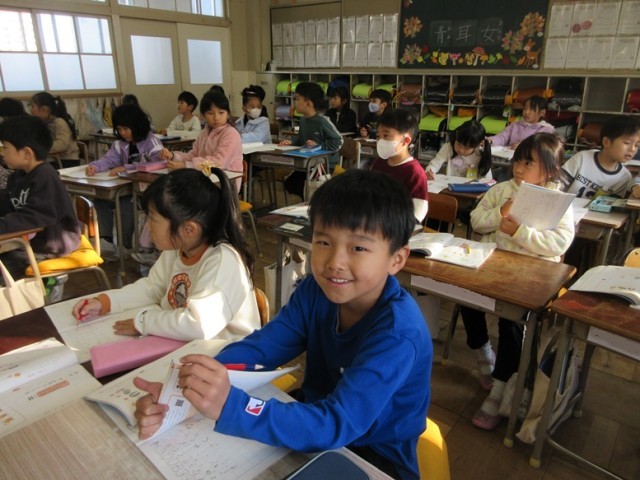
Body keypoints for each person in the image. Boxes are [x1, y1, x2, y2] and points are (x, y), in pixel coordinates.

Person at [133, 169, 432, 479]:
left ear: (396, 259)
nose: (334, 262)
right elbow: (264, 347)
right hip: (312, 424)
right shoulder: (316, 290)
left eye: (358, 248)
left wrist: (229, 405)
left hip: (371, 456)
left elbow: (336, 423)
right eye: (323, 241)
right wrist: (192, 384)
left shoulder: (398, 333)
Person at [460, 133, 574, 431]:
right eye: (518, 161)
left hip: (532, 277)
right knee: (467, 300)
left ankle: (500, 387)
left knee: (512, 324)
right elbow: (476, 221)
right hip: (493, 267)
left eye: (529, 163)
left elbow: (559, 243)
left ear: (550, 170)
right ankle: (484, 355)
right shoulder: (501, 190)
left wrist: (519, 233)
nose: (519, 168)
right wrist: (501, 213)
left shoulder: (557, 201)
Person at [72, 168, 259, 341]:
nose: (148, 226)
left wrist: (144, 322)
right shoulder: (179, 248)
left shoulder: (222, 262)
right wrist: (106, 302)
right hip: (187, 345)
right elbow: (152, 288)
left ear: (189, 229)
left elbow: (197, 324)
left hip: (226, 357)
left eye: (153, 218)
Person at [0, 116, 80, 278]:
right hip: (31, 241)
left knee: (6, 267)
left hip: (52, 245)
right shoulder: (17, 176)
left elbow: (37, 216)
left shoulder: (45, 176)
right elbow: (9, 203)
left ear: (27, 153)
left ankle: (45, 287)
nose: (1, 153)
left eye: (5, 148)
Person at [86, 103, 163, 257]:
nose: (123, 133)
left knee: (125, 202)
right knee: (100, 198)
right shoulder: (119, 144)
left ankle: (125, 244)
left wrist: (127, 167)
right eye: (119, 129)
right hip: (125, 187)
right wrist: (95, 166)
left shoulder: (152, 142)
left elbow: (159, 164)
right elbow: (108, 160)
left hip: (145, 192)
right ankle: (106, 240)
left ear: (137, 126)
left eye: (126, 129)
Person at [160, 91, 243, 191]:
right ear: (203, 116)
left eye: (221, 113)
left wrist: (186, 165)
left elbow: (218, 162)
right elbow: (193, 155)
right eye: (210, 113)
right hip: (206, 181)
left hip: (225, 185)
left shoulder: (231, 133)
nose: (216, 118)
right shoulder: (204, 133)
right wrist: (173, 156)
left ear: (228, 114)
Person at [279, 82, 343, 199]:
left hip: (324, 165)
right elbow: (302, 141)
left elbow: (338, 141)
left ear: (308, 103)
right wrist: (292, 142)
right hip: (308, 162)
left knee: (303, 186)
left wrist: (319, 145)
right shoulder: (303, 120)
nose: (294, 102)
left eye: (297, 99)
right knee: (290, 184)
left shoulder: (322, 121)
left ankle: (312, 203)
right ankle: (308, 202)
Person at [560, 115, 639, 198]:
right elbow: (557, 187)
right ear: (606, 142)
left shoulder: (624, 177)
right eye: (627, 143)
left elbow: (611, 204)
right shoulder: (582, 158)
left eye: (637, 145)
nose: (633, 149)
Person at [370, 109, 428, 222]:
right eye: (378, 136)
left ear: (405, 141)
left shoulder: (415, 172)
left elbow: (418, 212)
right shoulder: (378, 163)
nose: (380, 141)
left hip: (397, 227)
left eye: (386, 135)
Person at [426, 119, 493, 181]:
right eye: (458, 144)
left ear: (479, 144)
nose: (461, 150)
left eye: (466, 148)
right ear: (457, 134)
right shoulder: (448, 147)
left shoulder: (481, 153)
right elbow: (435, 163)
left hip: (473, 188)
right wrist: (430, 171)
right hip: (450, 185)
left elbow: (488, 180)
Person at [30, 92, 79, 168]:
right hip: (55, 159)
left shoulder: (59, 122)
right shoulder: (46, 122)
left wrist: (41, 148)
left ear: (44, 109)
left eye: (33, 106)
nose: (31, 110)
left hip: (67, 161)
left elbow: (62, 144)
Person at [489, 95, 554, 149]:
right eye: (525, 108)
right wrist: (491, 140)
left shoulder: (547, 130)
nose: (526, 112)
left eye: (531, 109)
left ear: (542, 113)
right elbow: (502, 137)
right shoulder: (515, 125)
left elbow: (542, 148)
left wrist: (522, 147)